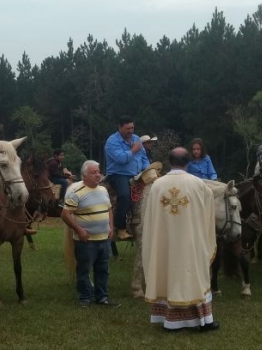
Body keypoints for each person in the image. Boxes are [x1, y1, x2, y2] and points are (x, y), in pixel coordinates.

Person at [142, 147, 218, 331]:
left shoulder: (157, 186)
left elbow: (151, 218)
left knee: (167, 271)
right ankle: (202, 321)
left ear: (169, 162)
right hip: (191, 244)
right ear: (187, 162)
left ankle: (168, 320)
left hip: (164, 244)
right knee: (193, 275)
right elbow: (208, 216)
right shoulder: (199, 184)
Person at [62, 160, 118, 308]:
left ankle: (102, 297)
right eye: (94, 173)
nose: (98, 175)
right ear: (84, 175)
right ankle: (85, 298)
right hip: (86, 241)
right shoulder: (76, 193)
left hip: (104, 239)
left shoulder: (103, 190)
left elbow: (109, 210)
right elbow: (65, 214)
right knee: (84, 270)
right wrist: (79, 230)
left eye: (98, 172)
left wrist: (111, 227)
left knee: (103, 270)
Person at [104, 115, 146, 240]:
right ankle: (120, 228)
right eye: (127, 128)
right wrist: (133, 150)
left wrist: (147, 168)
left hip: (137, 174)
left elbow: (143, 157)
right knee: (124, 195)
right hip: (118, 174)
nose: (131, 131)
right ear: (120, 127)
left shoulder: (136, 138)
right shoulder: (112, 141)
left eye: (132, 128)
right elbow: (121, 159)